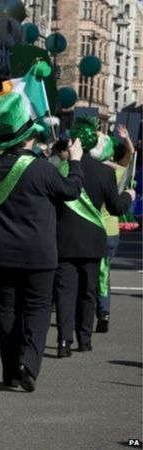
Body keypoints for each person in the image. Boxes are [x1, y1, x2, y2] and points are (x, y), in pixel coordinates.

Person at [0, 92, 84, 392]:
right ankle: (29, 364)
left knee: (8, 310)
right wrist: (74, 161)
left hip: (1, 250)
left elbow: (22, 169)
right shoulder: (42, 169)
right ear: (27, 136)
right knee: (38, 309)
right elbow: (71, 190)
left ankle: (10, 371)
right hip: (38, 252)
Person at [52, 118, 135, 357]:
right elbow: (117, 207)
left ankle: (64, 342)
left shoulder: (60, 168)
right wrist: (129, 195)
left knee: (65, 293)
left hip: (64, 239)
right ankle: (84, 339)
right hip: (93, 240)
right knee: (88, 291)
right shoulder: (105, 172)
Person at [95, 123, 137, 332]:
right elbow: (132, 152)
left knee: (91, 273)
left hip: (93, 229)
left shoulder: (92, 172)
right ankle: (103, 311)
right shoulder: (120, 171)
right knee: (103, 273)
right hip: (111, 230)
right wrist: (127, 137)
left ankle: (96, 310)